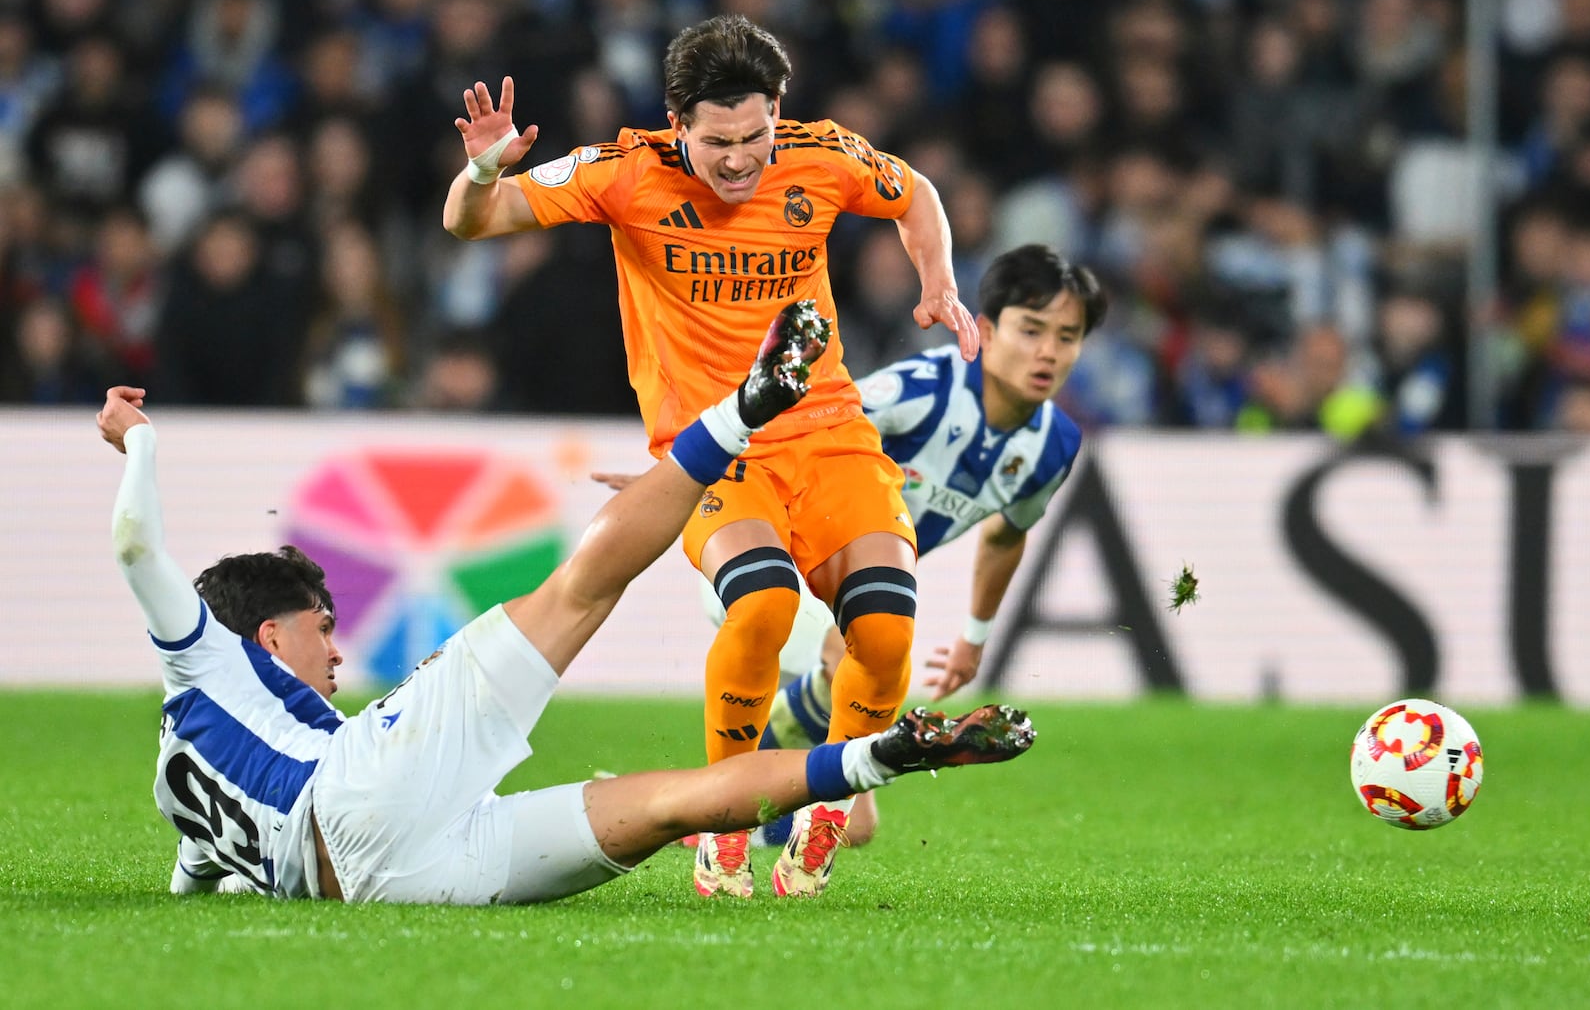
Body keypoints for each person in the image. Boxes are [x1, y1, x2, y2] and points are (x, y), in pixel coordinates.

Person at [100, 301, 1036, 905]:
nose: (337, 656)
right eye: (321, 629)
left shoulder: (176, 788)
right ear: (264, 635)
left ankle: (890, 752)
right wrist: (137, 444)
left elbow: (195, 878)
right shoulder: (203, 654)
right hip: (355, 788)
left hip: (393, 885)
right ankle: (745, 408)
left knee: (674, 804)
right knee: (579, 591)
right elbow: (138, 544)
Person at [442, 14, 978, 899]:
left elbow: (916, 191)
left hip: (831, 433)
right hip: (715, 451)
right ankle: (720, 822)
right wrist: (481, 167)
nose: (742, 160)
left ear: (780, 114)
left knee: (884, 633)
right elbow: (474, 222)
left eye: (757, 136)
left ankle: (829, 808)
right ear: (676, 123)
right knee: (762, 606)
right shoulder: (622, 172)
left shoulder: (825, 155)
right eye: (719, 141)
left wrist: (938, 278)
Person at [598, 244, 1106, 862]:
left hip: (847, 597)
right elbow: (795, 415)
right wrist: (685, 473)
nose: (1048, 351)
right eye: (1032, 330)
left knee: (857, 821)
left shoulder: (1054, 445)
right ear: (989, 330)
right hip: (766, 560)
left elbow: (1006, 534)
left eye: (1067, 336)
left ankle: (681, 810)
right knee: (860, 647)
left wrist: (974, 637)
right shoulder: (921, 390)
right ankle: (714, 795)